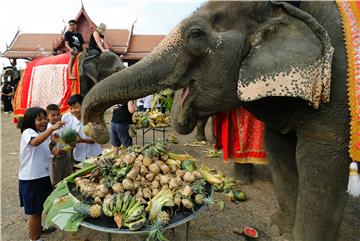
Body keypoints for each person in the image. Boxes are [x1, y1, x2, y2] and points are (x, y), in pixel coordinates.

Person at [19, 107, 64, 241]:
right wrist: (51, 129)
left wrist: (53, 145)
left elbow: (43, 150)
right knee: (35, 212)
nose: (44, 121)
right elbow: (35, 142)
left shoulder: (39, 133)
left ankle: (39, 229)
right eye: (39, 119)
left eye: (45, 118)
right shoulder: (28, 132)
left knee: (42, 206)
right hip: (31, 179)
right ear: (30, 121)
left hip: (42, 176)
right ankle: (35, 239)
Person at [62, 94, 102, 163]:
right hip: (78, 157)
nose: (73, 111)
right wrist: (70, 142)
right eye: (71, 108)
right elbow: (68, 139)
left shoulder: (93, 117)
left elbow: (96, 139)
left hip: (95, 155)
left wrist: (81, 140)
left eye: (76, 107)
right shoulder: (67, 118)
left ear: (84, 106)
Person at [46, 104, 73, 186]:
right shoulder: (48, 129)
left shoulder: (63, 125)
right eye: (53, 115)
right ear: (48, 117)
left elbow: (67, 140)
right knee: (56, 181)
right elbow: (48, 146)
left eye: (58, 114)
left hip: (66, 154)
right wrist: (55, 151)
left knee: (68, 177)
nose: (56, 117)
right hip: (55, 159)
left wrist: (71, 143)